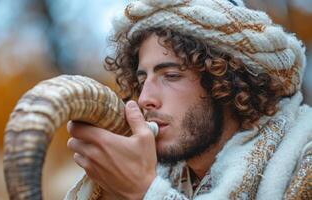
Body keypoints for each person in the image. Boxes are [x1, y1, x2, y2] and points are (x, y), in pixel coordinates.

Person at [65, 0, 311, 199]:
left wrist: (145, 191)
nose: (145, 99)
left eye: (170, 76)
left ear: (227, 83)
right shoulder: (164, 174)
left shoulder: (304, 164)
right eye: (142, 81)